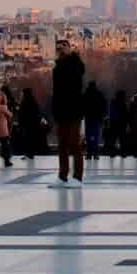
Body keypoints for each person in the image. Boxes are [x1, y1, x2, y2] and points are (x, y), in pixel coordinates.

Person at [49, 39, 87, 183]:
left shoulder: (75, 63)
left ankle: (77, 177)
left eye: (63, 47)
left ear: (69, 48)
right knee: (62, 145)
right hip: (61, 110)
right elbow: (56, 91)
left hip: (73, 109)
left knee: (74, 144)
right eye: (58, 47)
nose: (60, 49)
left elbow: (77, 77)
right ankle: (62, 175)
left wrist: (72, 56)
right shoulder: (58, 66)